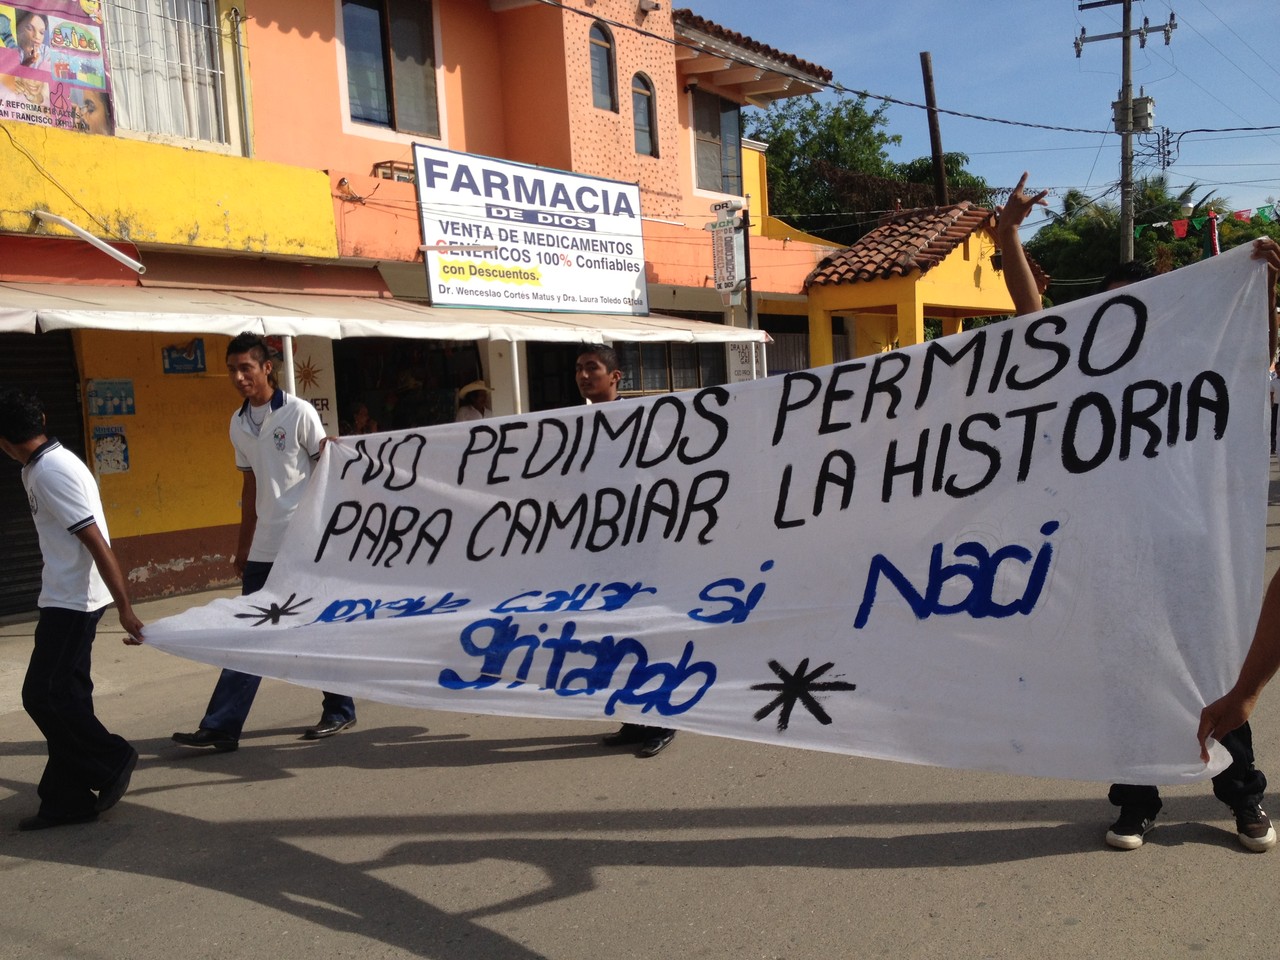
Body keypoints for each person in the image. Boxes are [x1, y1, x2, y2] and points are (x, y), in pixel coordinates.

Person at [998, 173, 1280, 852]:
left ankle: (1242, 796)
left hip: (1193, 546)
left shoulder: (1193, 365)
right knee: (1127, 683)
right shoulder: (1081, 373)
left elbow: (1254, 353)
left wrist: (1266, 290)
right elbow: (1035, 319)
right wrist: (1008, 233)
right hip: (1115, 550)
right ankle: (1136, 802)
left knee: (1213, 672)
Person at [172, 332, 356, 752]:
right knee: (249, 631)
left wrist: (326, 536)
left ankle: (338, 708)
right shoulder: (237, 423)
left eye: (246, 368)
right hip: (264, 546)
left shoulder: (298, 413)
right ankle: (222, 727)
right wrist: (242, 544)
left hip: (304, 542)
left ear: (266, 368)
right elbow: (250, 486)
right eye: (233, 370)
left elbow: (325, 473)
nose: (239, 377)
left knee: (310, 626)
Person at [0, 387, 143, 830]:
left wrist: (125, 608)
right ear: (41, 417)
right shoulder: (38, 466)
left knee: (44, 696)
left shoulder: (50, 472)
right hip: (62, 595)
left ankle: (111, 757)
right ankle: (65, 799)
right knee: (66, 695)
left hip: (74, 601)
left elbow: (96, 540)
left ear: (3, 441)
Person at [574, 343, 677, 758]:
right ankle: (635, 718)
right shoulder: (573, 424)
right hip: (600, 548)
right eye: (579, 369)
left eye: (592, 368)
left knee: (648, 631)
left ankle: (664, 718)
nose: (584, 375)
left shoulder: (638, 422)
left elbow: (661, 475)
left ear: (615, 377)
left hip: (641, 545)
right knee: (616, 635)